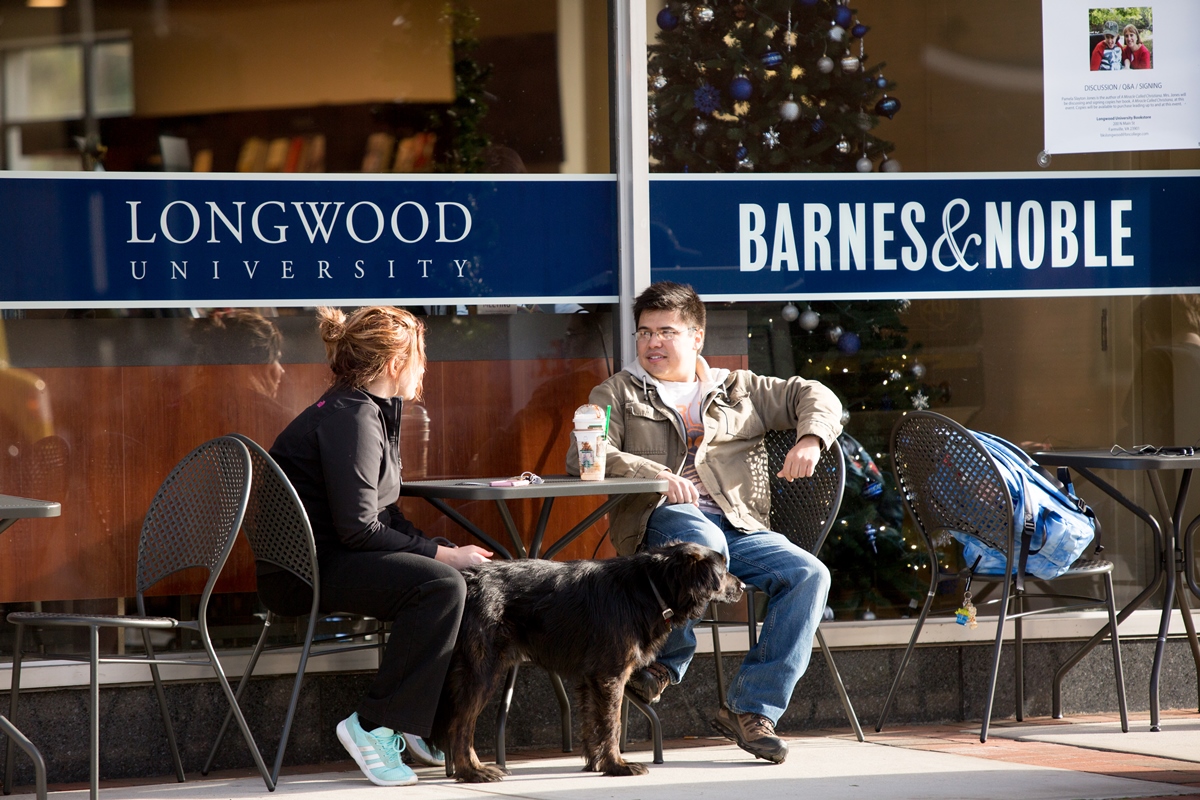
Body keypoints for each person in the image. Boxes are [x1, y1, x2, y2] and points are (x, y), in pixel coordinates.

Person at [568, 281, 843, 764]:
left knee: (809, 574)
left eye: (666, 332)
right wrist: (653, 472)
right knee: (701, 541)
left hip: (741, 524)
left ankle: (751, 707)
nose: (652, 342)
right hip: (661, 522)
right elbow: (585, 455)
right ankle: (665, 664)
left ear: (696, 337)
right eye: (644, 332)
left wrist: (811, 440)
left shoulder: (741, 387)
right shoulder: (616, 391)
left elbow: (815, 395)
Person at [269, 306, 492, 786]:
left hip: (339, 557)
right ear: (395, 362)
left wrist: (433, 546)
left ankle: (421, 719)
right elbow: (358, 528)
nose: (424, 368)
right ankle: (371, 725)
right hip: (306, 572)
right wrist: (443, 556)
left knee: (471, 582)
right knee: (440, 585)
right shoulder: (351, 417)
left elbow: (382, 514)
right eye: (421, 356)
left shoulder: (367, 410)